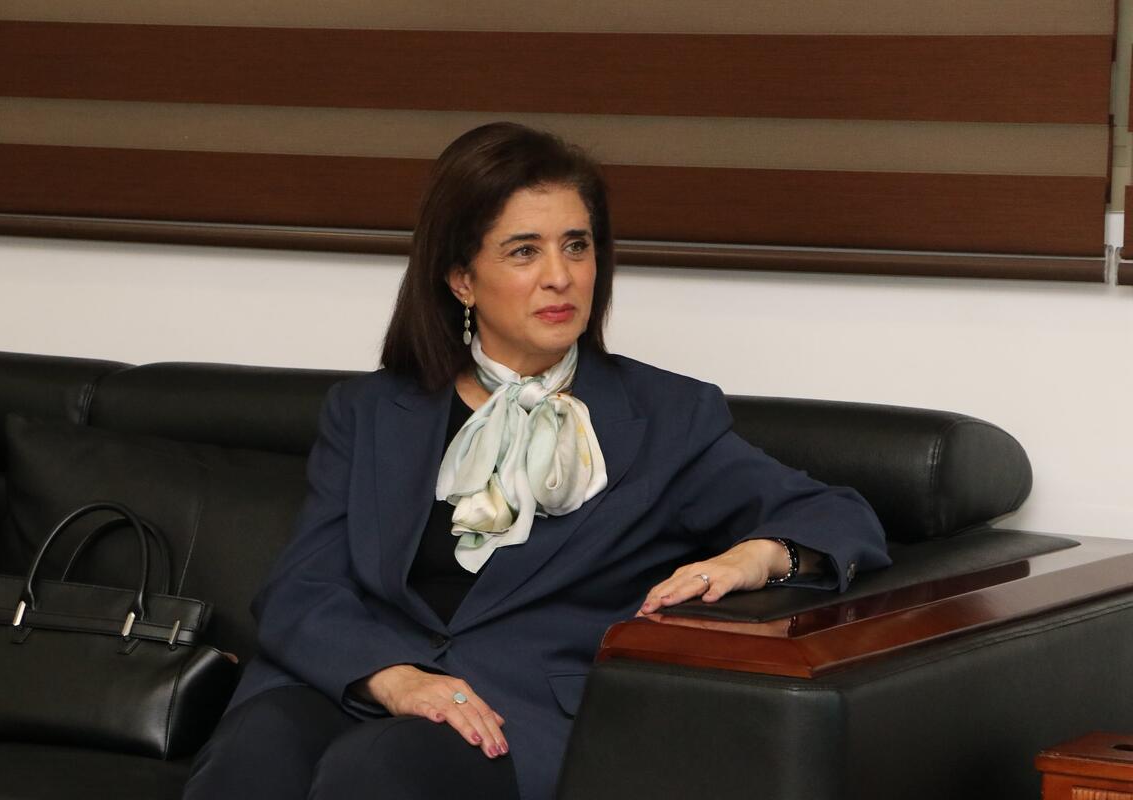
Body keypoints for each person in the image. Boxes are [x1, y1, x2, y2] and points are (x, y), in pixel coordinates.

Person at [183, 122, 890, 800]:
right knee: (256, 753)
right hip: (354, 680)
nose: (560, 277)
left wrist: (756, 558)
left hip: (512, 713)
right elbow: (302, 586)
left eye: (576, 246)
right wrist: (392, 678)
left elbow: (835, 513)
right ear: (461, 279)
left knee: (377, 770)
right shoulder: (369, 411)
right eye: (524, 251)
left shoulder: (665, 421)